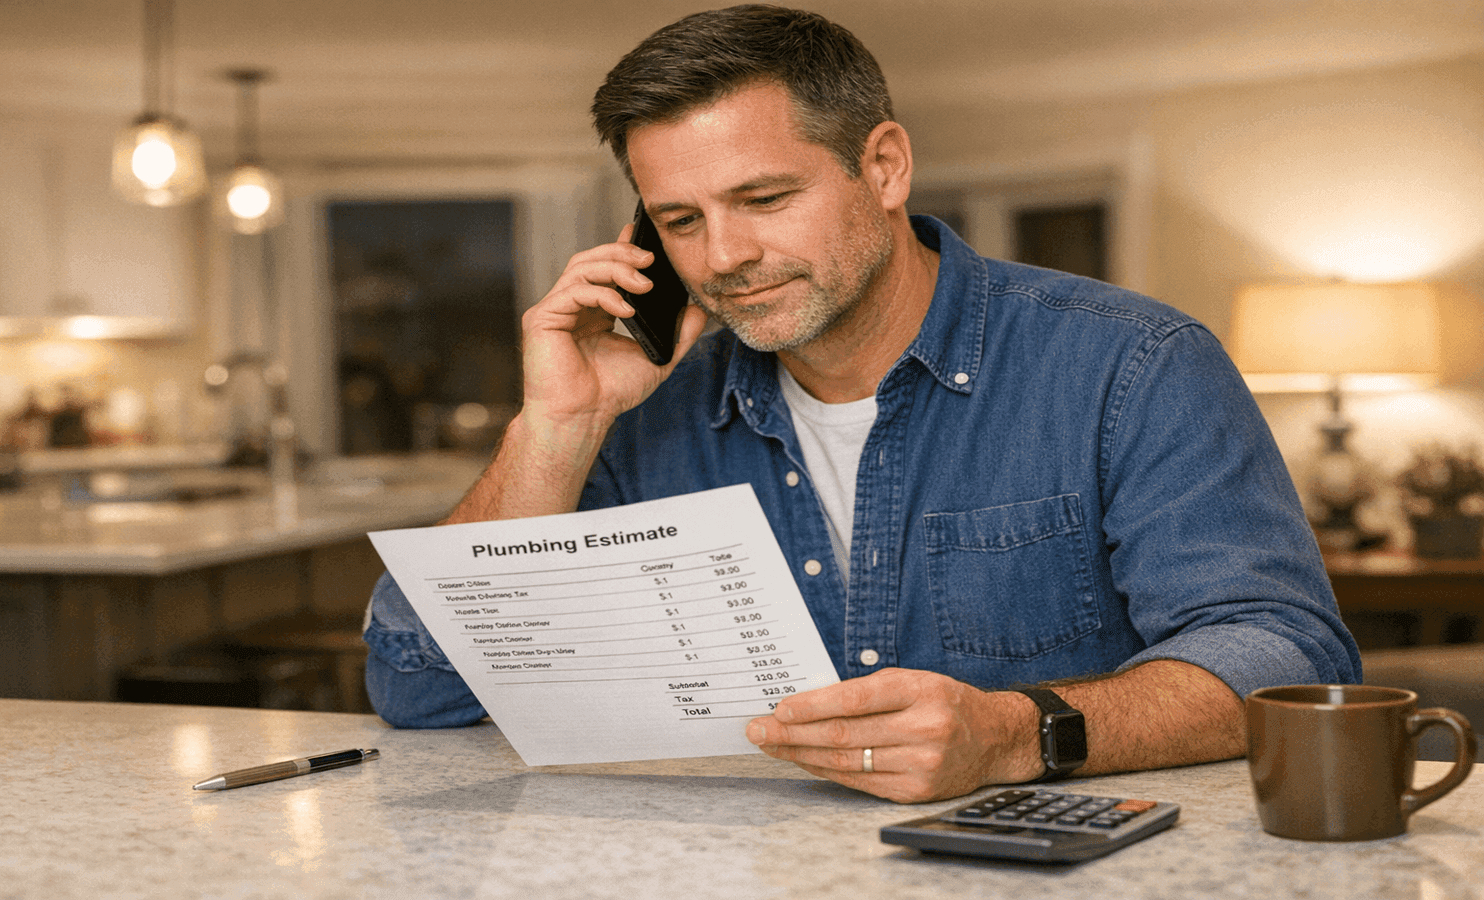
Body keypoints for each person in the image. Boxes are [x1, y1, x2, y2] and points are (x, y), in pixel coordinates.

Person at [362, 4, 1360, 803]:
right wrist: (555, 432)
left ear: (883, 166)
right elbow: (417, 685)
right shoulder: (641, 416)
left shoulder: (1132, 365)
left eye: (763, 199)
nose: (721, 257)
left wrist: (1014, 734)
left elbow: (1282, 656)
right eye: (680, 221)